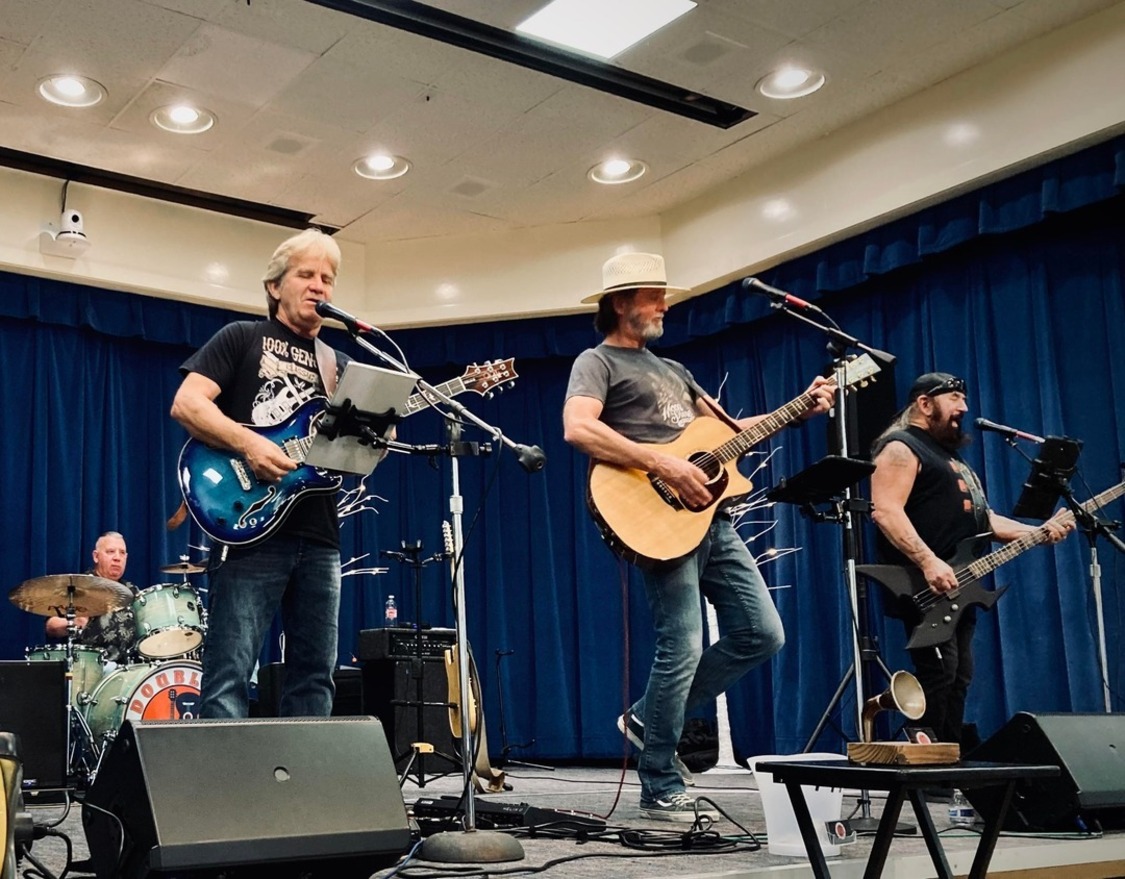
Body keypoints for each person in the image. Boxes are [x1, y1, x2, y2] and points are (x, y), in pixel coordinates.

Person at [562, 252, 833, 821]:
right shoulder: (597, 361)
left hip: (713, 517)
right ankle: (659, 780)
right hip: (656, 516)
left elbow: (730, 435)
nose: (665, 305)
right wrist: (663, 463)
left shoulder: (676, 370)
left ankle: (647, 717)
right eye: (654, 296)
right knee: (681, 644)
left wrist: (799, 410)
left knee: (762, 633)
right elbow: (579, 428)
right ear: (621, 302)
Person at [170, 228, 350, 718]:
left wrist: (380, 430)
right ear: (274, 286)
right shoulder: (242, 337)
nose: (319, 286)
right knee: (230, 673)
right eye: (306, 274)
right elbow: (187, 404)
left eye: (328, 278)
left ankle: (306, 769)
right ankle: (221, 769)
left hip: (319, 535)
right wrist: (249, 443)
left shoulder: (338, 365)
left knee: (315, 675)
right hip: (249, 526)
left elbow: (351, 458)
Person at [869, 372, 1072, 747]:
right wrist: (929, 561)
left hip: (959, 584)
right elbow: (886, 511)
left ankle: (948, 758)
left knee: (959, 674)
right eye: (954, 398)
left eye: (963, 399)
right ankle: (927, 757)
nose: (963, 407)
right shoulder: (900, 447)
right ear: (924, 404)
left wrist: (1039, 532)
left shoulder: (949, 457)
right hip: (925, 583)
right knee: (940, 671)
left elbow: (985, 519)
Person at [44, 531, 137, 664]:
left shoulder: (132, 591)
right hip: (88, 666)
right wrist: (74, 622)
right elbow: (51, 627)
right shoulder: (79, 587)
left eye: (122, 553)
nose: (117, 558)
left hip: (128, 669)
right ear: (96, 556)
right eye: (110, 552)